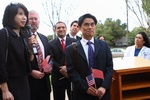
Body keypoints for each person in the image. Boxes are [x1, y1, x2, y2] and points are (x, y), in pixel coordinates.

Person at [66, 13, 113, 100]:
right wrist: (85, 88)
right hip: (82, 94)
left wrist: (104, 86)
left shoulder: (104, 45)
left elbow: (109, 67)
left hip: (102, 93)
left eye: (92, 24)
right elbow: (71, 71)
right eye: (86, 24)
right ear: (79, 28)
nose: (90, 27)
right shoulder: (71, 49)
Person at [0, 2, 32, 100]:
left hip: (24, 82)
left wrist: (31, 47)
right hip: (10, 84)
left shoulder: (24, 36)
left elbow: (29, 59)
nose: (24, 17)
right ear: (10, 16)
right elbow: (0, 63)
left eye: (25, 14)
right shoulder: (4, 33)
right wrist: (5, 90)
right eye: (20, 14)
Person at [49, 21, 77, 100]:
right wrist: (61, 68)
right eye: (58, 28)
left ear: (66, 29)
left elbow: (77, 58)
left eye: (63, 27)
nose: (61, 29)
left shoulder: (74, 42)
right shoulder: (50, 43)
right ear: (55, 30)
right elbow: (50, 59)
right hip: (57, 77)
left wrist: (68, 68)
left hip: (71, 76)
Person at [27, 10, 51, 100]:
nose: (33, 21)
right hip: (29, 82)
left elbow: (49, 55)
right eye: (31, 19)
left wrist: (49, 67)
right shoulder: (21, 37)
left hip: (44, 82)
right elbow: (18, 60)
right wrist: (30, 72)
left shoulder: (44, 38)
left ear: (39, 21)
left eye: (36, 19)